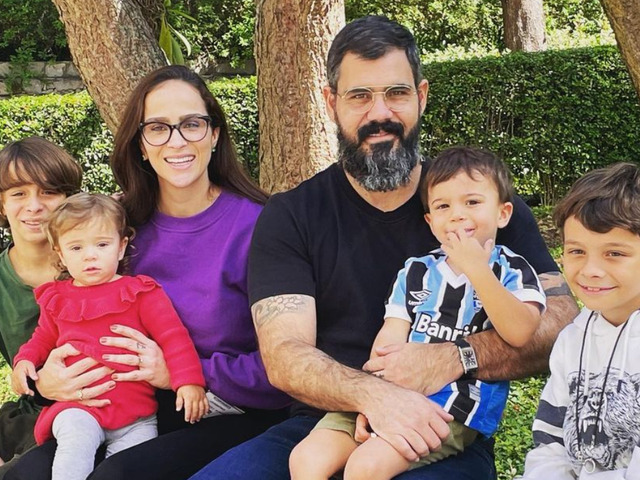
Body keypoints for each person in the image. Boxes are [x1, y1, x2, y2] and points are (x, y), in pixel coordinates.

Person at [189, 15, 577, 480]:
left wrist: (455, 357)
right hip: (325, 423)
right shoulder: (292, 215)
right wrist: (375, 395)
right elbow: (284, 354)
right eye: (359, 96)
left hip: (441, 424)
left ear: (421, 96)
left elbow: (561, 323)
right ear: (331, 102)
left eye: (396, 93)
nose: (380, 114)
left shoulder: (477, 208)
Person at [5, 65, 290, 480]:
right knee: (27, 475)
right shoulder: (117, 224)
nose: (176, 140)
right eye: (158, 128)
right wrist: (46, 381)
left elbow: (286, 363)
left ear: (214, 134)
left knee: (117, 476)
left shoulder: (260, 226)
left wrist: (180, 372)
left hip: (228, 408)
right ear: (140, 144)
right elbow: (67, 316)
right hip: (127, 403)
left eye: (191, 124)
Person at [289, 147, 546, 480]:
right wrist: (374, 398)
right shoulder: (416, 271)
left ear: (503, 213)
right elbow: (389, 340)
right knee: (306, 459)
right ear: (430, 221)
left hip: (452, 406)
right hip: (391, 392)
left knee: (365, 467)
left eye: (472, 202)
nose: (457, 215)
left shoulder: (512, 270)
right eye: (443, 206)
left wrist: (477, 270)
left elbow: (520, 332)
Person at [11, 192, 208, 480]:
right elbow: (42, 338)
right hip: (80, 408)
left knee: (129, 469)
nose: (90, 255)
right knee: (75, 444)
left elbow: (174, 338)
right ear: (61, 254)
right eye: (76, 247)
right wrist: (25, 361)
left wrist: (189, 382)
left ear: (121, 246)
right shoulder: (58, 298)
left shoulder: (141, 293)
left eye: (102, 244)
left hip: (137, 416)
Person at [519, 163, 640, 479]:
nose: (590, 270)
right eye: (576, 251)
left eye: (614, 253)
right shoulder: (572, 339)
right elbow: (550, 438)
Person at [0, 137, 83, 477]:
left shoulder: (98, 263)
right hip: (32, 416)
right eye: (19, 193)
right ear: (2, 204)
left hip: (105, 411)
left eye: (48, 192)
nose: (34, 206)